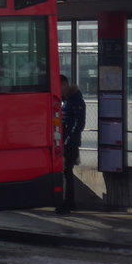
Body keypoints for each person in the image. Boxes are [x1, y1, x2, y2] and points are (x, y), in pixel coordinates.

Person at [57, 74, 85, 214]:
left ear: (64, 85)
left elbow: (78, 123)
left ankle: (69, 202)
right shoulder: (65, 100)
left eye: (59, 87)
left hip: (70, 143)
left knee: (67, 171)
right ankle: (67, 201)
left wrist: (68, 141)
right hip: (63, 141)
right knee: (65, 172)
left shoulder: (75, 100)